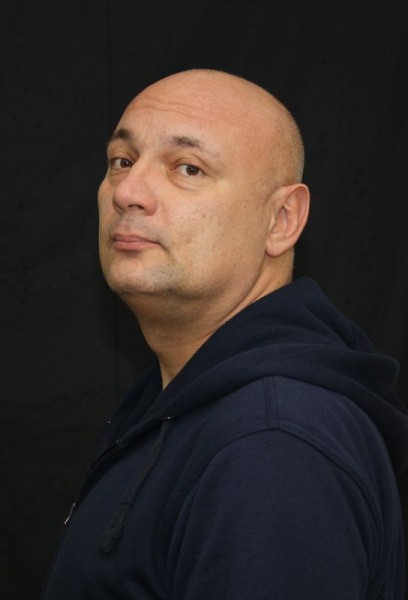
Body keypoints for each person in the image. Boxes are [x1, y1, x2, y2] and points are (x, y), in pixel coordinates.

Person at [41, 69, 408, 599]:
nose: (129, 192)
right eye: (122, 160)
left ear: (282, 220)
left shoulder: (273, 445)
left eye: (188, 168)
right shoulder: (185, 399)